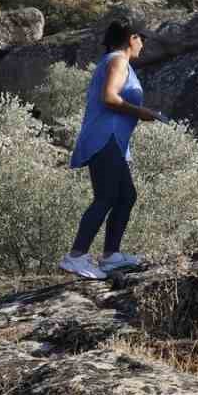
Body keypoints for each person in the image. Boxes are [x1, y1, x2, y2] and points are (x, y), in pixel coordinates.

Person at [59, 19, 167, 280]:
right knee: (106, 197)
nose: (144, 43)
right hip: (104, 137)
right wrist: (143, 112)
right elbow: (109, 97)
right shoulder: (118, 60)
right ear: (131, 38)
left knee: (126, 195)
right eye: (142, 38)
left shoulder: (121, 63)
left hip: (114, 141)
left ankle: (111, 256)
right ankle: (76, 256)